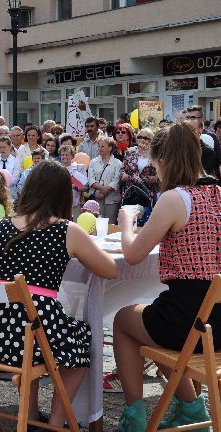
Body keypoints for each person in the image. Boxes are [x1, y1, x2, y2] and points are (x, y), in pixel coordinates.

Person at [0, 161, 117, 428]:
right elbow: (109, 270)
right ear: (63, 195)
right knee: (80, 341)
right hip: (33, 331)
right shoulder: (66, 230)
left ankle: (27, 414)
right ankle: (56, 419)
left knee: (33, 329)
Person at [113, 122, 221, 431]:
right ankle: (190, 408)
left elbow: (133, 257)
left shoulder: (175, 198)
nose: (156, 173)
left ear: (166, 160)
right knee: (154, 320)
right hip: (217, 323)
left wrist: (126, 223)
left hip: (186, 320)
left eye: (156, 166)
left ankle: (134, 417)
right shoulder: (219, 194)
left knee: (124, 320)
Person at [120, 127, 158, 225]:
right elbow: (121, 169)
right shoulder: (130, 152)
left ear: (151, 141)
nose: (142, 140)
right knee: (130, 221)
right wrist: (123, 174)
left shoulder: (155, 154)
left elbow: (161, 173)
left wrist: (155, 179)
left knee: (146, 221)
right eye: (140, 137)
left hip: (147, 192)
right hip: (131, 192)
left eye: (146, 138)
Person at [88, 137, 123, 224]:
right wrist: (101, 190)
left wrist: (105, 191)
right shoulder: (93, 162)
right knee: (98, 224)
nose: (100, 148)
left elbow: (116, 181)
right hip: (97, 198)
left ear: (110, 148)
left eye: (102, 146)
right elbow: (91, 179)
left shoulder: (118, 163)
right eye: (99, 146)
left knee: (111, 224)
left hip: (112, 200)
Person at [60, 144, 88, 220]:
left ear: (72, 156)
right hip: (59, 204)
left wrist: (74, 185)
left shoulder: (79, 168)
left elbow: (85, 187)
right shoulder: (56, 168)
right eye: (62, 154)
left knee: (75, 225)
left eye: (67, 155)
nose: (64, 157)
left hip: (74, 203)